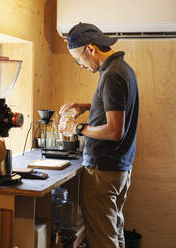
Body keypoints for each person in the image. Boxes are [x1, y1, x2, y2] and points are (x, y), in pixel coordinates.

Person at [58, 23, 139, 248]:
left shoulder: (111, 76)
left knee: (104, 240)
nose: (81, 65)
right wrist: (84, 106)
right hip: (119, 168)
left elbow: (114, 131)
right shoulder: (122, 69)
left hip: (103, 171)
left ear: (91, 49)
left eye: (78, 60)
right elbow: (116, 107)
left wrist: (77, 128)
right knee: (114, 232)